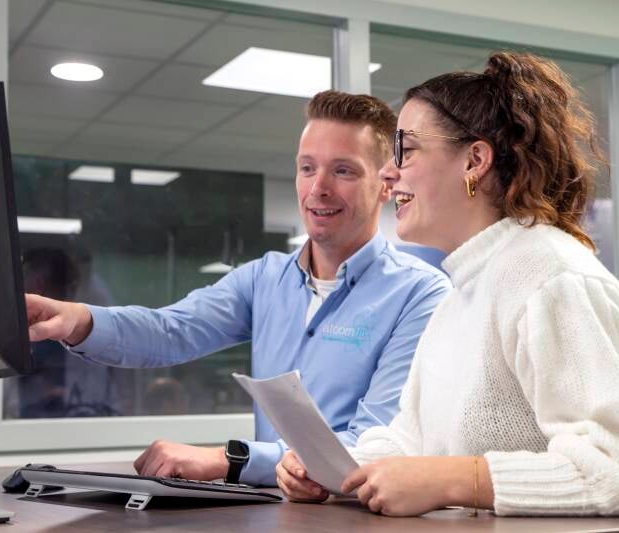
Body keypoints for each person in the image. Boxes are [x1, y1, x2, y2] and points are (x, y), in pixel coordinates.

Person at [277, 52, 619, 519]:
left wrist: (455, 479)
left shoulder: (553, 277)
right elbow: (410, 439)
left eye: (405, 151)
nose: (388, 174)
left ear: (474, 160)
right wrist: (337, 471)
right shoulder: (459, 295)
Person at [24, 90, 451, 487]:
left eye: (343, 170)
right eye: (307, 168)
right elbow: (170, 330)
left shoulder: (421, 294)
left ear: (386, 186)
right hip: (277, 515)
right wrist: (77, 321)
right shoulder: (265, 279)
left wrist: (232, 459)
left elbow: (372, 443)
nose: (318, 187)